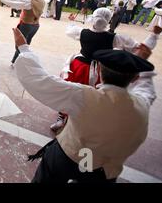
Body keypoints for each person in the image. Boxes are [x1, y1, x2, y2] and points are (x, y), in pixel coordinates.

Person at [12, 27, 157, 183]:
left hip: (67, 158)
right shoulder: (142, 104)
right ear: (135, 78)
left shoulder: (84, 96)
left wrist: (24, 48)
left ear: (99, 69)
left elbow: (40, 81)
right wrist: (140, 62)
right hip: (102, 172)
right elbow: (146, 86)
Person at [51, 7, 160, 132]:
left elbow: (69, 30)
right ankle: (81, 119)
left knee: (70, 91)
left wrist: (71, 21)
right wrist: (154, 36)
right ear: (108, 20)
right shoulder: (114, 38)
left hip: (79, 66)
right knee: (93, 95)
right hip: (101, 70)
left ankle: (62, 117)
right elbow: (139, 48)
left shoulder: (82, 32)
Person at [0, 0, 46, 66]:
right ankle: (19, 61)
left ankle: (16, 62)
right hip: (35, 25)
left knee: (20, 45)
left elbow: (11, 1)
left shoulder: (29, 1)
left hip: (26, 25)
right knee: (26, 44)